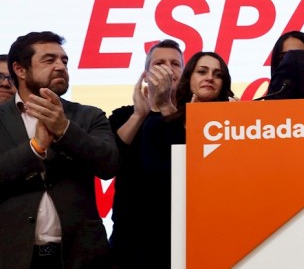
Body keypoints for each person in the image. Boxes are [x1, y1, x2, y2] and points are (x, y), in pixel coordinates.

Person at [0, 31, 119, 269]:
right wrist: (35, 148)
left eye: (64, 61)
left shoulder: (88, 116)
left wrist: (64, 129)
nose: (60, 66)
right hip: (14, 256)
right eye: (49, 60)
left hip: (81, 257)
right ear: (20, 70)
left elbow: (109, 164)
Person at [140, 51, 233, 268]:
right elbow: (156, 181)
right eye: (202, 72)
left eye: (217, 75)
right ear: (189, 78)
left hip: (222, 231)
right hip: (170, 232)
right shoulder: (158, 126)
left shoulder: (235, 130)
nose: (209, 77)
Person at [108, 39, 184, 268]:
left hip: (179, 231)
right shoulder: (124, 116)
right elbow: (111, 159)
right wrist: (139, 115)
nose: (168, 69)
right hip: (131, 234)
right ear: (146, 74)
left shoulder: (192, 118)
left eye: (175, 64)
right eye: (159, 63)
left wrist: (166, 107)